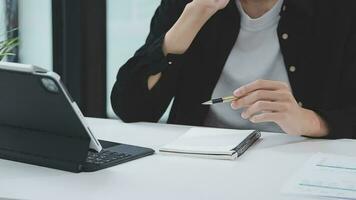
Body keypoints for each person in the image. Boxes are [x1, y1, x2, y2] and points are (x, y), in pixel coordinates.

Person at [111, 0, 356, 139]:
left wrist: (307, 121)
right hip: (203, 158)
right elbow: (131, 108)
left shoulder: (338, 10)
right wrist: (195, 16)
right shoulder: (189, 4)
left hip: (296, 154)